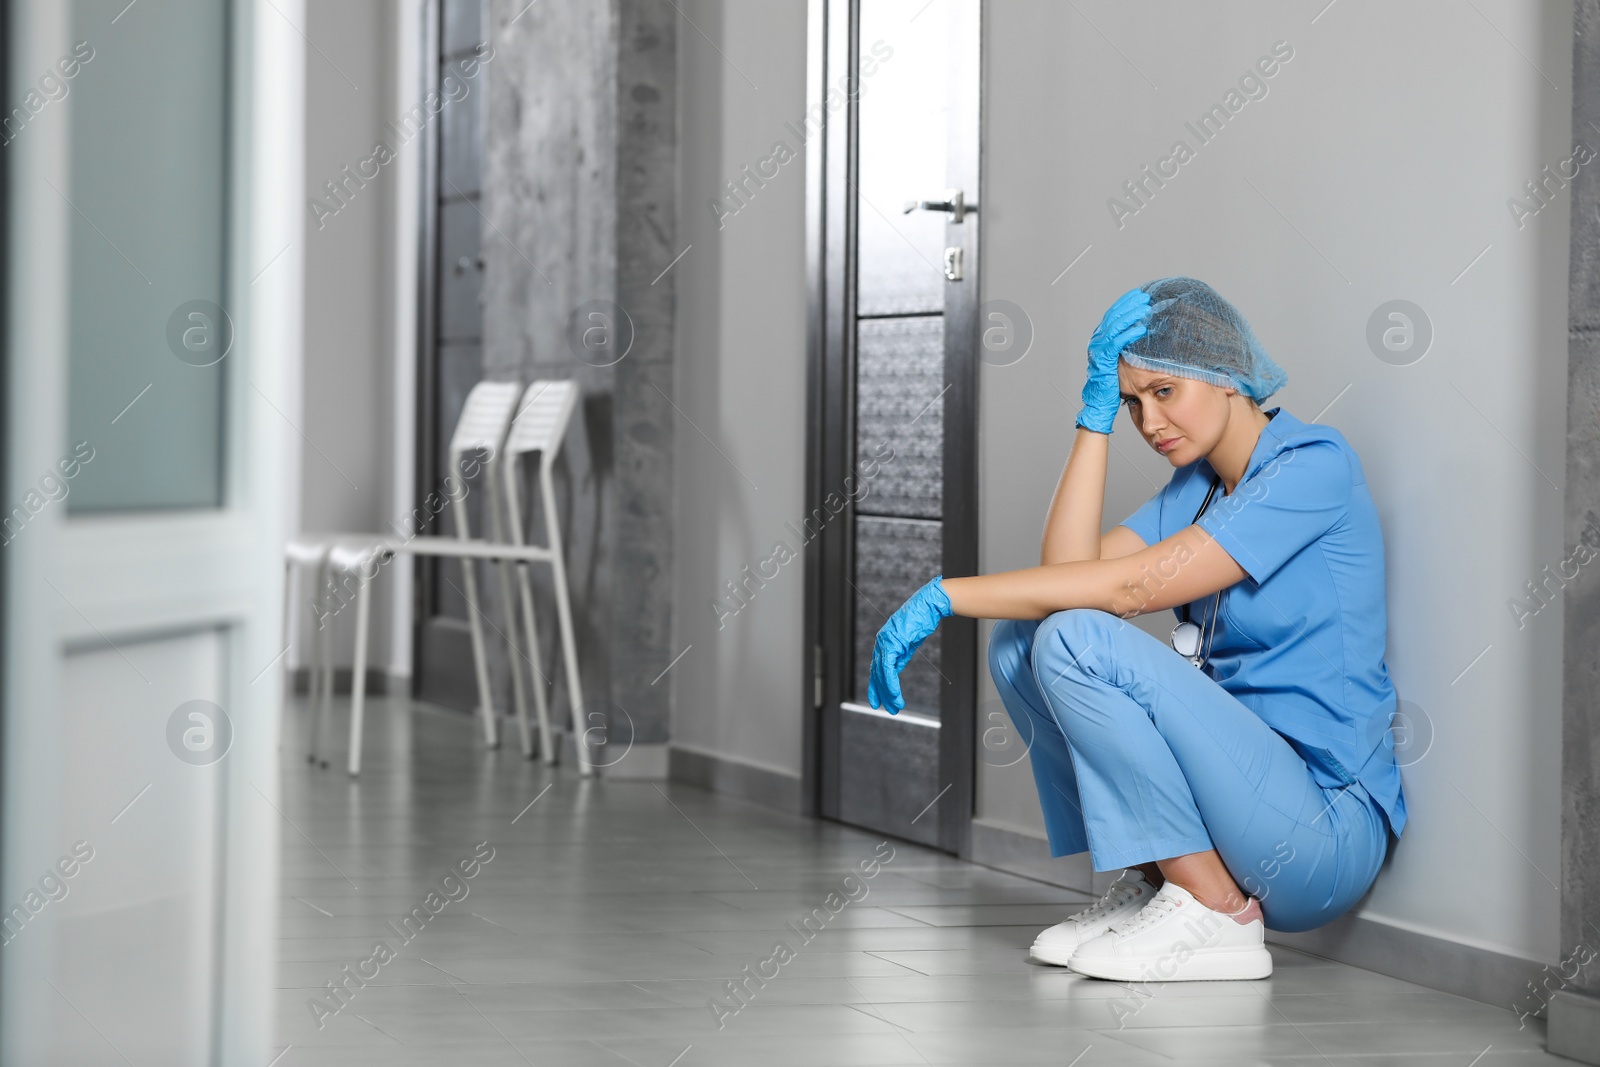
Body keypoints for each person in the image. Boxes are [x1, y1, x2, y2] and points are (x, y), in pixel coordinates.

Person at [865, 277, 1406, 982]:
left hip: (1323, 832)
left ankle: (1217, 910)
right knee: (1023, 643)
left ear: (1226, 376)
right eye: (1131, 402)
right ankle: (1163, 881)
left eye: (1163, 392)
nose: (1148, 423)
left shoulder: (1313, 468)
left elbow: (1123, 590)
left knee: (1070, 640)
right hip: (1238, 807)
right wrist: (1092, 421)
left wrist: (945, 595)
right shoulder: (1199, 488)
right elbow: (1067, 579)